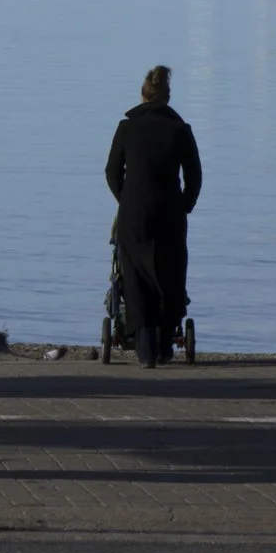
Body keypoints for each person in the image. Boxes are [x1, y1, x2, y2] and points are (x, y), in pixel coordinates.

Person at [104, 65, 202, 368]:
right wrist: (184, 204)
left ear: (143, 95)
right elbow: (195, 177)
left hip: (134, 215)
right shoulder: (180, 130)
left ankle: (145, 351)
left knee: (134, 277)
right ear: (167, 97)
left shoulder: (127, 128)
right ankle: (164, 346)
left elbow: (111, 172)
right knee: (169, 275)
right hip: (170, 214)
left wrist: (126, 199)